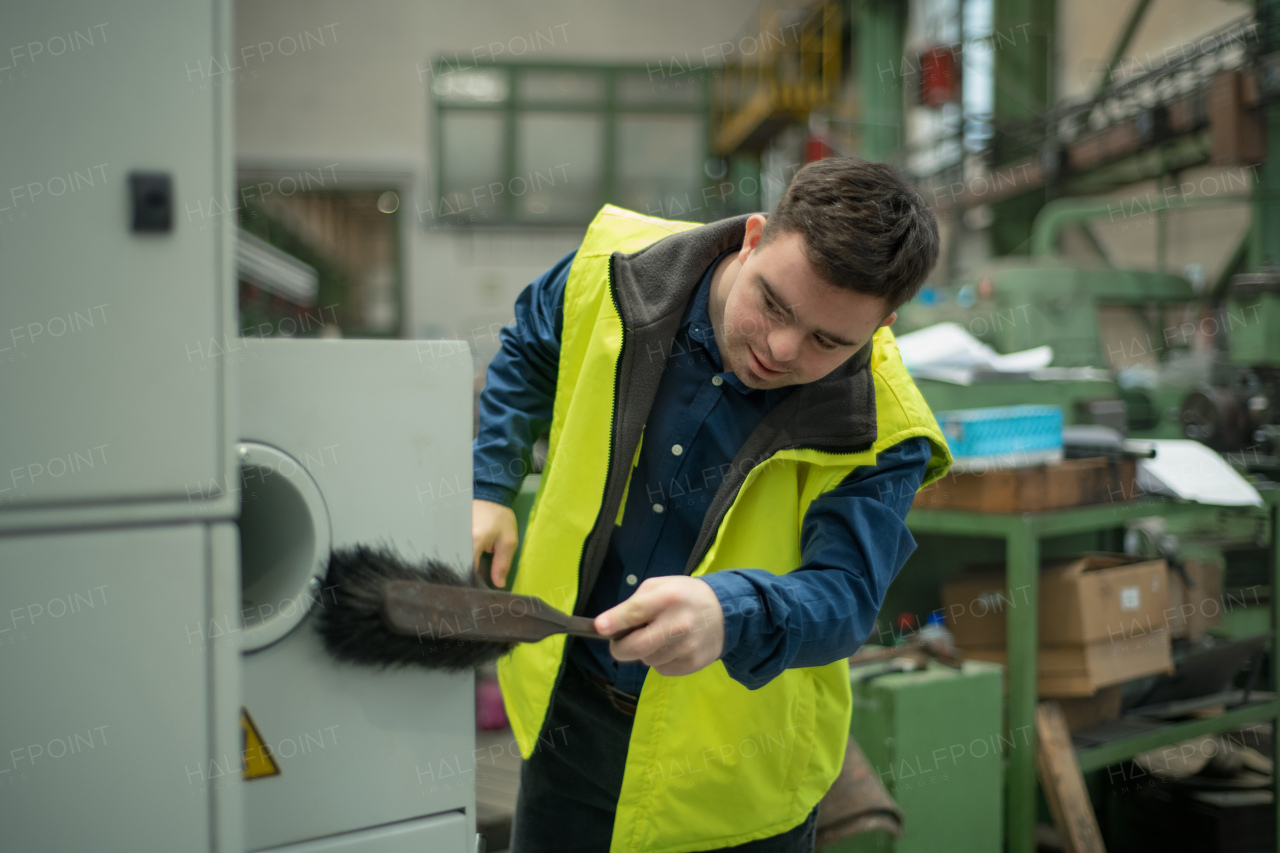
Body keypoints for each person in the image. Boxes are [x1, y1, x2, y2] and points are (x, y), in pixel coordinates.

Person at [471, 157, 952, 853]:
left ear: (884, 324)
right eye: (774, 305)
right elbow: (527, 352)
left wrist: (731, 613)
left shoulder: (884, 424)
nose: (781, 348)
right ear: (752, 237)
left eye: (828, 340)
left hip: (734, 778)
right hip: (568, 721)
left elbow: (847, 597)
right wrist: (489, 486)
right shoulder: (617, 268)